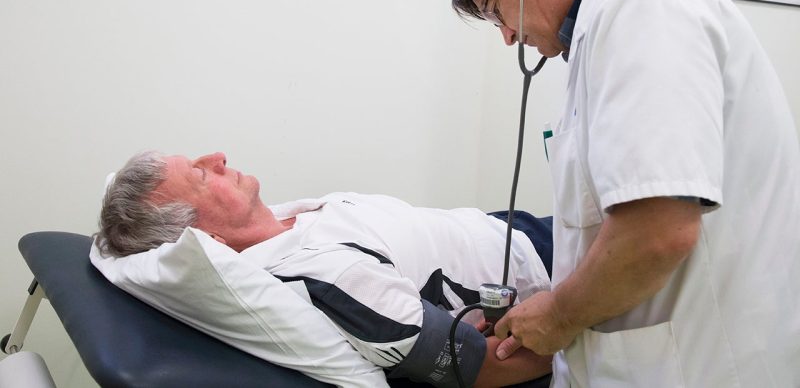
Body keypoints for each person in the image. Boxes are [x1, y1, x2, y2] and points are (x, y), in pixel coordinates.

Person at [451, 0, 800, 387]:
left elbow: (659, 232)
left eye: (494, 10)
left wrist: (559, 314)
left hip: (697, 365)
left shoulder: (643, 7)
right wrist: (554, 308)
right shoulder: (604, 28)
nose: (507, 36)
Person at [97, 150, 554, 388]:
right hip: (543, 267)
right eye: (200, 175)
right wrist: (581, 319)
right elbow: (479, 369)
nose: (217, 158)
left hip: (507, 228)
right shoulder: (330, 279)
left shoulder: (281, 222)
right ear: (208, 240)